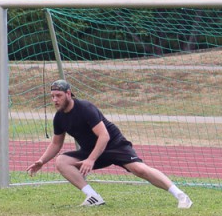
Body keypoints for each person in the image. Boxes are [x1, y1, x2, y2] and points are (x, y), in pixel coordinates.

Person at [26, 79, 193, 209]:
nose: (55, 100)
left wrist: (90, 160)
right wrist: (42, 161)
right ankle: (93, 197)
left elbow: (104, 136)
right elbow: (56, 144)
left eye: (58, 96)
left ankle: (181, 196)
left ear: (68, 94)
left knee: (140, 169)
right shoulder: (59, 118)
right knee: (62, 161)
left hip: (114, 145)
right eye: (52, 96)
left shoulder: (85, 108)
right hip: (92, 150)